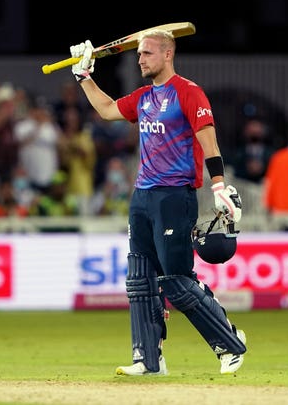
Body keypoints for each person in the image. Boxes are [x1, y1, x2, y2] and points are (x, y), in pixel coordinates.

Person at [68, 28, 247, 376]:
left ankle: (230, 344)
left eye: (147, 53)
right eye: (138, 54)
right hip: (142, 196)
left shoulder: (189, 92)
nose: (140, 58)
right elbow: (106, 110)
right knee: (139, 279)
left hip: (174, 195)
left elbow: (209, 142)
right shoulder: (144, 97)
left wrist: (220, 185)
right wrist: (83, 76)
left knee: (177, 281)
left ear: (167, 54)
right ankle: (148, 360)